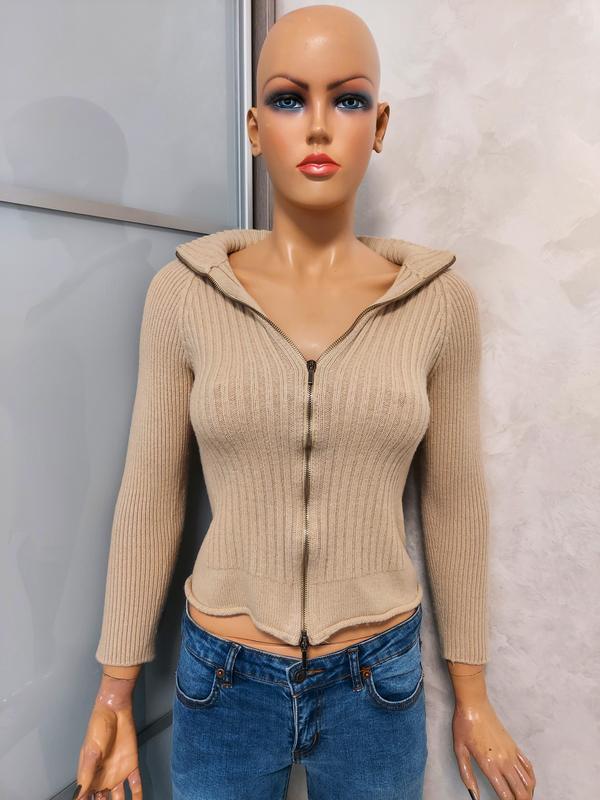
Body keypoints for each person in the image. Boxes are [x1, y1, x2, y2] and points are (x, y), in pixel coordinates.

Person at [73, 5, 536, 800]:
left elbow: (455, 500)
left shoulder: (439, 304)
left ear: (378, 124)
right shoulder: (184, 296)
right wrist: (114, 689)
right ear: (256, 129)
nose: (318, 125)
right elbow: (150, 493)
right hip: (223, 679)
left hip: (376, 680)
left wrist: (474, 694)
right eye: (289, 99)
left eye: (347, 99)